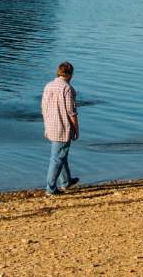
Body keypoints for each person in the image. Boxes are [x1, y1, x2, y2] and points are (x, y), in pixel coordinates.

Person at [41, 61, 80, 195]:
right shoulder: (67, 88)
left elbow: (44, 108)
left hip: (50, 125)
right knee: (57, 158)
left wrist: (46, 127)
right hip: (63, 127)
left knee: (61, 155)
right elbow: (71, 112)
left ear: (58, 72)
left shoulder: (48, 86)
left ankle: (66, 182)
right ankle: (50, 189)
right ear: (70, 74)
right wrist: (76, 129)